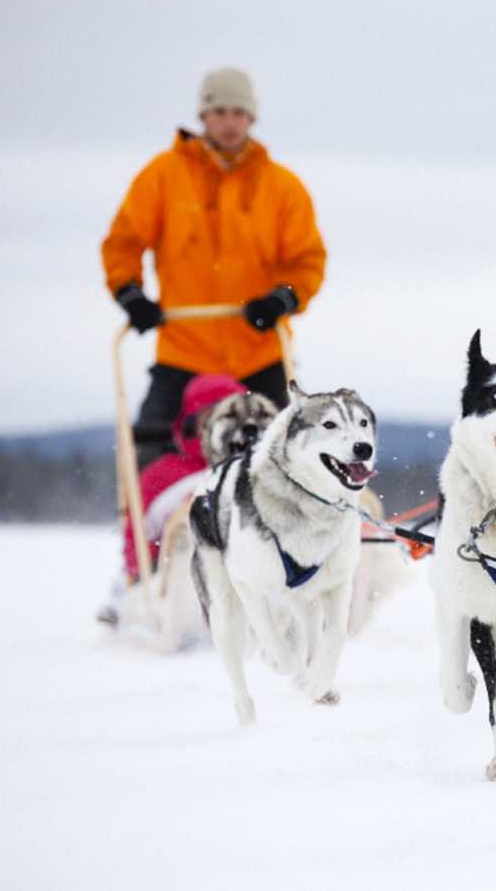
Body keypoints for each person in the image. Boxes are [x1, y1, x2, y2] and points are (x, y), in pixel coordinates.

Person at [101, 67, 326, 468]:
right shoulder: (162, 177)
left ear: (251, 118)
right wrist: (130, 294)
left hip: (259, 351)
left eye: (238, 112)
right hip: (183, 350)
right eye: (219, 111)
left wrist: (283, 298)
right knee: (150, 453)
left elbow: (307, 260)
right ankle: (152, 525)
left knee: (294, 454)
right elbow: (123, 242)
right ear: (203, 116)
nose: (229, 122)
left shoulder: (282, 188)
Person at [100, 374, 248, 626]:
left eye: (228, 417)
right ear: (193, 421)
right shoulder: (162, 474)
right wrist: (137, 573)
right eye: (209, 415)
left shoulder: (256, 466)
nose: (219, 426)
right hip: (180, 569)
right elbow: (138, 533)